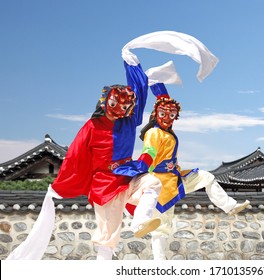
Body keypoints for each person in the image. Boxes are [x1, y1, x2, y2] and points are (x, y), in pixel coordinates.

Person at [6, 59, 162, 261]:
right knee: (108, 235)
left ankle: (140, 221)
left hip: (127, 177)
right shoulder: (92, 126)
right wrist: (59, 185)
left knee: (152, 182)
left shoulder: (130, 121)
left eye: (125, 106)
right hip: (105, 184)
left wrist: (131, 65)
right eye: (115, 104)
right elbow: (74, 155)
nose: (119, 110)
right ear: (105, 101)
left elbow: (140, 92)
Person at [113, 83, 250, 260]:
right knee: (160, 228)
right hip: (158, 183)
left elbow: (165, 100)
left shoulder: (168, 133)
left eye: (172, 115)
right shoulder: (154, 133)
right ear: (155, 114)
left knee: (207, 177)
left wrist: (157, 84)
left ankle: (229, 206)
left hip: (175, 178)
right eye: (163, 114)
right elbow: (149, 152)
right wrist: (141, 166)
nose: (167, 118)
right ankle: (159, 262)